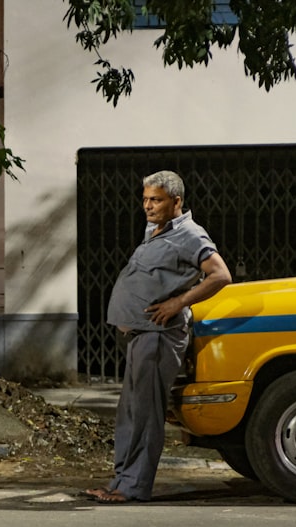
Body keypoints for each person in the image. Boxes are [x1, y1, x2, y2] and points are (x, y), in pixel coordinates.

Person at [84, 170, 231, 503]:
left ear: (176, 201)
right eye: (146, 199)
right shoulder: (156, 230)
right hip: (140, 334)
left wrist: (177, 302)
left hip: (159, 335)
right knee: (131, 411)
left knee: (146, 413)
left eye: (156, 200)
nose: (148, 206)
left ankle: (134, 488)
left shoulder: (191, 235)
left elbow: (221, 275)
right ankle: (121, 482)